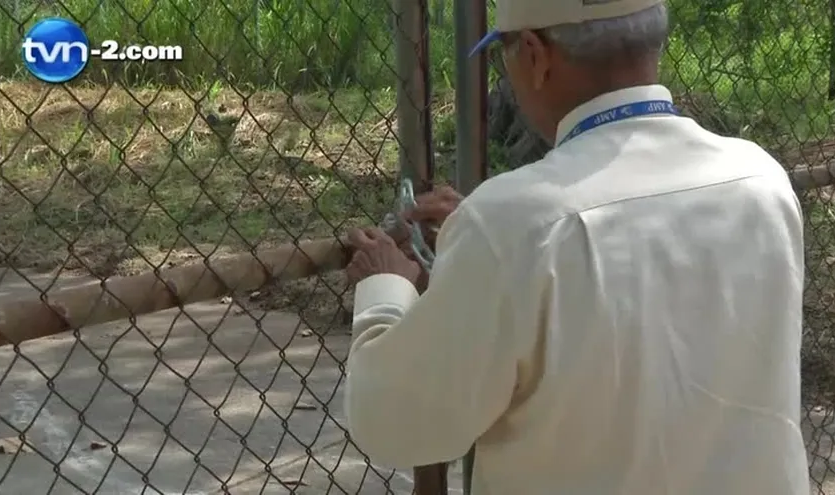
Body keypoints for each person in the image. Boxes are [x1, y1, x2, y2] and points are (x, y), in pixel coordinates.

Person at [342, 0, 810, 493]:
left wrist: (385, 287)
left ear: (534, 55)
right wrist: (482, 242)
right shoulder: (760, 181)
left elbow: (396, 424)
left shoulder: (512, 224)